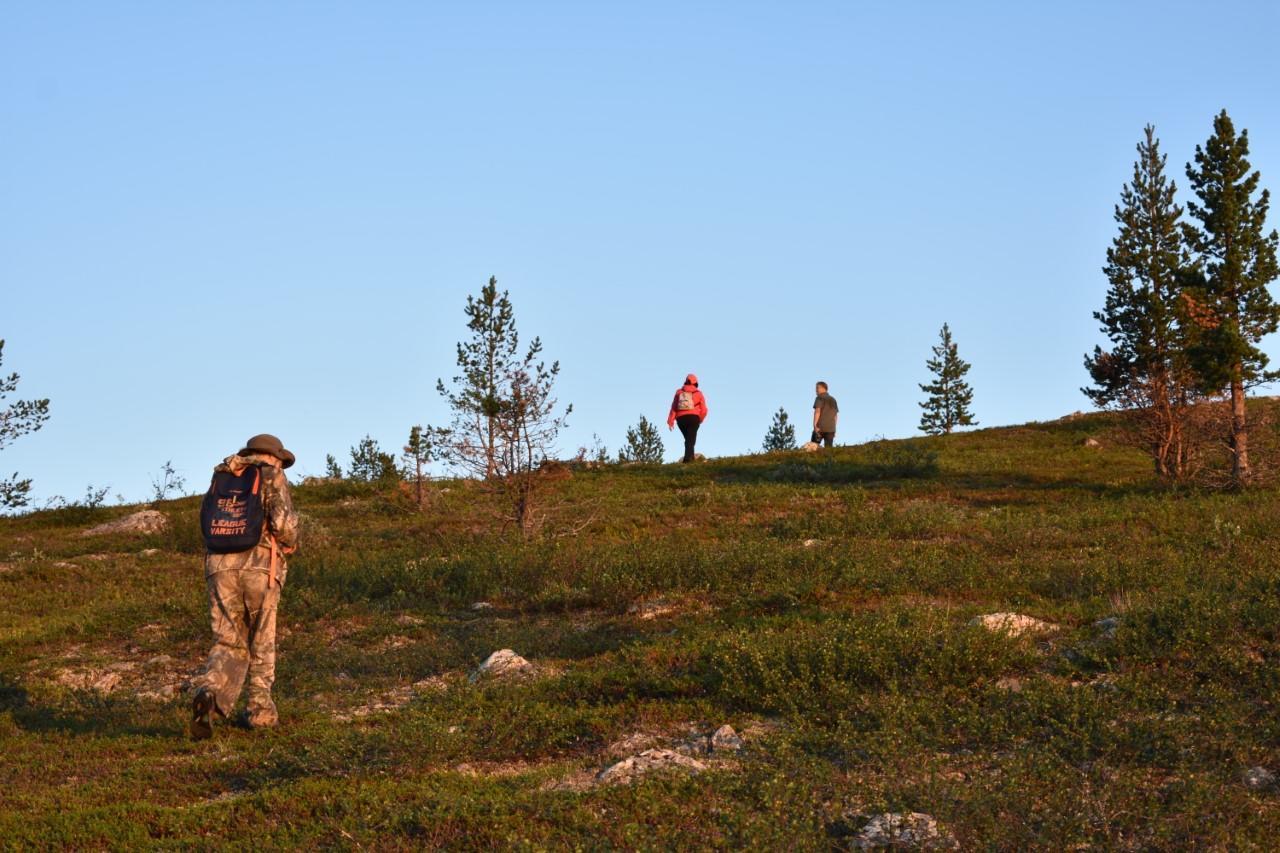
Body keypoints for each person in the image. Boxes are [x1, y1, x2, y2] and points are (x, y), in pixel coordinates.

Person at [190, 434, 299, 740]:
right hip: (260, 566)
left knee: (227, 640)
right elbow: (283, 524)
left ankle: (210, 692)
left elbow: (205, 520)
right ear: (274, 457)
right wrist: (290, 544)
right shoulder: (271, 475)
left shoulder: (223, 474)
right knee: (261, 638)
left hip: (219, 567)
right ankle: (260, 711)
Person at [667, 373, 708, 463]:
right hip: (693, 418)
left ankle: (691, 458)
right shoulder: (698, 393)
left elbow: (674, 407)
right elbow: (704, 410)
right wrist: (700, 419)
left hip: (681, 419)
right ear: (695, 383)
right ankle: (687, 460)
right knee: (690, 440)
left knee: (689, 439)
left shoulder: (679, 392)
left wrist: (670, 421)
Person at [812, 381, 839, 449]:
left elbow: (817, 411)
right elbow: (835, 416)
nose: (816, 390)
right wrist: (834, 428)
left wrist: (815, 425)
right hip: (831, 429)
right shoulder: (833, 399)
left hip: (820, 427)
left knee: (813, 447)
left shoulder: (819, 398)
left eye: (817, 388)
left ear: (823, 388)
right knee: (828, 450)